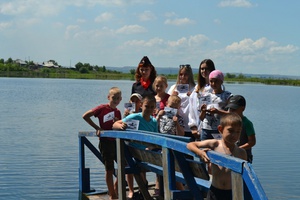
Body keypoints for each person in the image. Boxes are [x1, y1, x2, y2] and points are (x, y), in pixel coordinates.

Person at [187, 113, 247, 200]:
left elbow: (244, 176)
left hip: (233, 192)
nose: (234, 135)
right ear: (220, 129)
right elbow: (190, 145)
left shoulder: (241, 152)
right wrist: (200, 153)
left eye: (238, 131)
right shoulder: (215, 144)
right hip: (215, 191)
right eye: (230, 131)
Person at [82, 87, 122, 200]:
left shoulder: (118, 112)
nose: (115, 100)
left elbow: (119, 126)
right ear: (108, 97)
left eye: (118, 98)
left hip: (116, 142)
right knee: (109, 169)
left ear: (121, 99)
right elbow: (85, 116)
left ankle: (115, 187)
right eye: (114, 98)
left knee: (124, 166)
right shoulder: (102, 108)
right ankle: (112, 194)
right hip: (105, 143)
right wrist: (97, 127)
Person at [113, 94, 158, 190]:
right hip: (134, 152)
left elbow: (156, 139)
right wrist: (120, 126)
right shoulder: (134, 116)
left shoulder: (154, 121)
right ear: (141, 105)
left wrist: (152, 146)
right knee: (133, 165)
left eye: (151, 107)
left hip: (147, 152)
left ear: (155, 108)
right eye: (146, 106)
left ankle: (158, 189)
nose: (149, 109)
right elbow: (115, 124)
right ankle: (139, 187)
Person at [199, 70, 232, 141]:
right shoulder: (205, 95)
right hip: (205, 129)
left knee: (218, 150)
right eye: (211, 81)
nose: (213, 83)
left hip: (219, 129)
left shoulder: (227, 96)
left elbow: (232, 114)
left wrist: (218, 112)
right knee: (203, 150)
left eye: (216, 81)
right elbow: (201, 118)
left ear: (221, 81)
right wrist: (203, 111)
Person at [189, 59, 216, 140]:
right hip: (198, 127)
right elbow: (191, 108)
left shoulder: (216, 87)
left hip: (211, 127)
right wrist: (193, 126)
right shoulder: (197, 88)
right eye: (202, 69)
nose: (204, 71)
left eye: (206, 68)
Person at [167, 64, 196, 139]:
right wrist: (172, 96)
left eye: (185, 74)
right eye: (181, 74)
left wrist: (193, 96)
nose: (182, 77)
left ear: (189, 75)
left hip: (189, 123)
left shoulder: (194, 88)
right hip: (175, 124)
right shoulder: (173, 88)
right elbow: (167, 104)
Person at [226, 95, 256, 163]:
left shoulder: (247, 123)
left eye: (234, 109)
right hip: (230, 154)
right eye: (230, 109)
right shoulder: (228, 122)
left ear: (242, 108)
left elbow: (252, 142)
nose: (231, 111)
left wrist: (238, 149)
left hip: (244, 156)